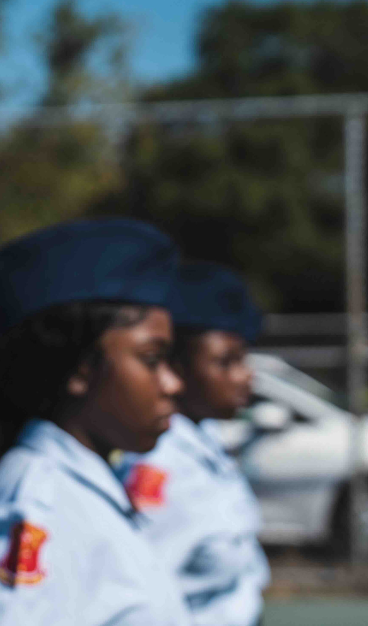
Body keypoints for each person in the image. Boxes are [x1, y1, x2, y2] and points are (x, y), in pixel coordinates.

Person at [0, 218, 193, 626]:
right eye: (151, 359)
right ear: (80, 371)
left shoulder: (79, 487)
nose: (173, 383)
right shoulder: (40, 503)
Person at [118, 261, 269, 626]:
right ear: (178, 369)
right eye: (225, 362)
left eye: (243, 359)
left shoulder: (206, 442)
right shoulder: (160, 463)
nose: (245, 375)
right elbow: (140, 592)